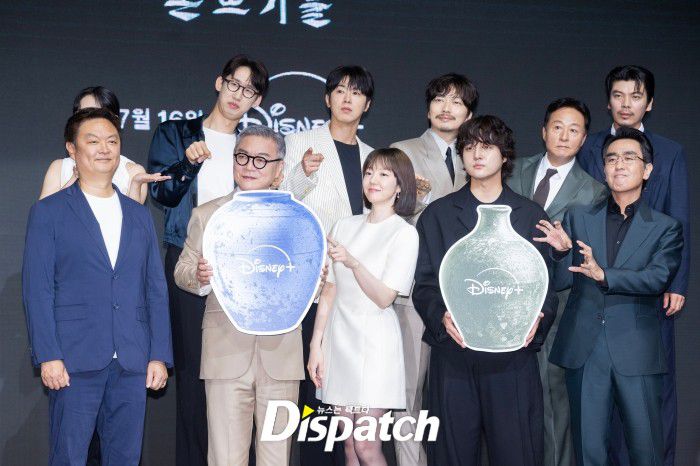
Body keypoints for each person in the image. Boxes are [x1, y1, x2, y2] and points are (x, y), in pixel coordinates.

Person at [22, 107, 173, 465]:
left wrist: (158, 354)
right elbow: (37, 289)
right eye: (93, 141)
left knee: (125, 457)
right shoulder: (48, 212)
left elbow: (154, 288)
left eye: (112, 141)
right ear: (72, 150)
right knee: (69, 456)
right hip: (74, 358)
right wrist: (48, 355)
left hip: (132, 358)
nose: (104, 148)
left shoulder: (138, 214)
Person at [413, 115, 558, 466]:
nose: (477, 154)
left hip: (512, 361)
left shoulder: (530, 216)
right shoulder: (438, 215)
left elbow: (546, 288)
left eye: (488, 146)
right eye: (469, 147)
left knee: (517, 454)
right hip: (454, 357)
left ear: (505, 155)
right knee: (451, 455)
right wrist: (441, 317)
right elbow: (425, 285)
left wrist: (539, 318)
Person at [147, 54, 270, 466]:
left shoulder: (252, 147)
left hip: (245, 272)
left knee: (239, 377)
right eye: (234, 84)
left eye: (249, 90)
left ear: (257, 101)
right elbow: (161, 194)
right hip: (189, 263)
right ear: (219, 83)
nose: (239, 95)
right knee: (192, 377)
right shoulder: (176, 132)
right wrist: (188, 163)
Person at [540, 127, 683, 466]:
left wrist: (605, 275)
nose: (619, 164)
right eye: (611, 158)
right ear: (603, 169)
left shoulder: (665, 226)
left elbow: (657, 278)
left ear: (647, 170)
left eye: (629, 158)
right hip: (584, 349)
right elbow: (562, 281)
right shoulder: (578, 216)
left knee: (646, 451)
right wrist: (560, 253)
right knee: (588, 451)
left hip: (636, 349)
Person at [576, 65, 689, 466]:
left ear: (650, 103)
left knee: (648, 393)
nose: (626, 104)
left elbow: (680, 215)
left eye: (636, 96)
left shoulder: (669, 152)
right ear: (608, 101)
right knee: (594, 407)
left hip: (648, 285)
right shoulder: (588, 147)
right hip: (591, 286)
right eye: (618, 95)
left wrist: (676, 282)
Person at [173, 125, 301, 466]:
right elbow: (182, 270)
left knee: (277, 458)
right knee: (225, 458)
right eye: (242, 156)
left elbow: (310, 280)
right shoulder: (207, 215)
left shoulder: (298, 218)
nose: (249, 166)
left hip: (282, 355)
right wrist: (200, 276)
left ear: (279, 170)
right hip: (225, 353)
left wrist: (315, 279)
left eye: (261, 160)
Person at [281, 64, 374, 465]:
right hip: (313, 286)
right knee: (313, 394)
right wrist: (302, 173)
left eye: (357, 92)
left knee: (350, 394)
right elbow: (280, 202)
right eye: (340, 90)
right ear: (327, 98)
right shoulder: (299, 142)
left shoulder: (373, 157)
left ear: (367, 105)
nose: (347, 98)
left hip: (357, 292)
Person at [507, 97, 607, 466]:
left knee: (552, 400)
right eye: (557, 127)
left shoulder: (594, 191)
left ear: (583, 139)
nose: (564, 136)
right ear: (544, 131)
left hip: (557, 305)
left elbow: (588, 258)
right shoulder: (511, 169)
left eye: (574, 130)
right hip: (500, 299)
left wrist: (563, 251)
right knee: (503, 402)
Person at [308, 148, 419, 466]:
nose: (373, 179)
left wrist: (354, 263)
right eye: (369, 172)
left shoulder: (404, 233)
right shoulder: (344, 225)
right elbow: (330, 290)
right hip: (339, 341)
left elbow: (385, 297)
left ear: (400, 185)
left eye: (384, 174)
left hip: (375, 345)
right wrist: (316, 345)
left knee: (366, 445)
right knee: (348, 445)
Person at [389, 73, 477, 466]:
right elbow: (386, 218)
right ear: (427, 108)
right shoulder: (402, 152)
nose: (447, 108)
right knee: (409, 391)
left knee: (457, 395)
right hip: (414, 290)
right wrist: (417, 200)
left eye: (457, 102)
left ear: (468, 113)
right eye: (440, 99)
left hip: (468, 294)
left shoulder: (479, 155)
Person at [39, 86, 168, 203]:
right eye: (84, 114)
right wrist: (75, 178)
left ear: (115, 120)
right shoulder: (59, 167)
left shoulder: (133, 172)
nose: (93, 121)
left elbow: (133, 220)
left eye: (100, 115)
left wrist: (135, 185)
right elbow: (44, 214)